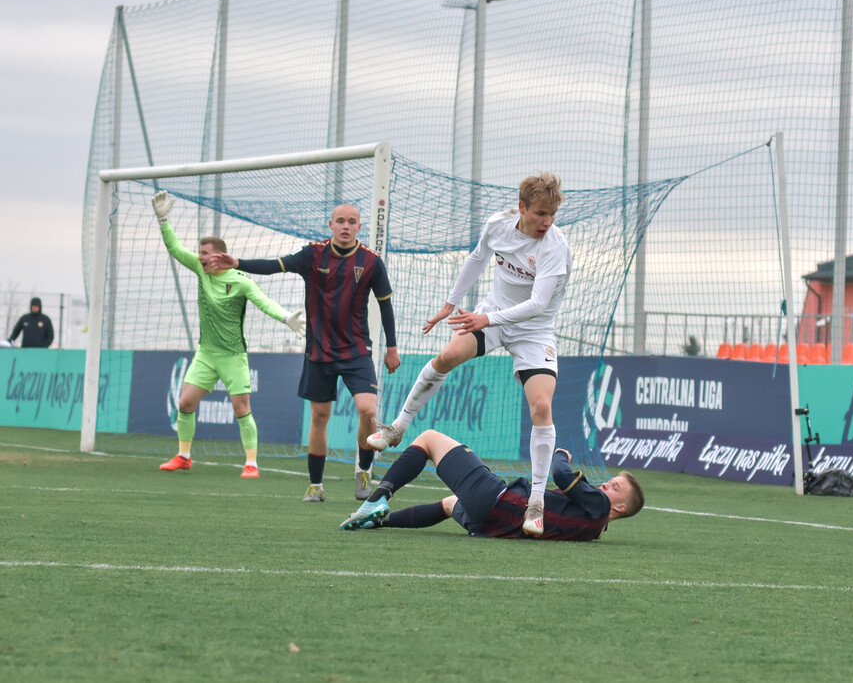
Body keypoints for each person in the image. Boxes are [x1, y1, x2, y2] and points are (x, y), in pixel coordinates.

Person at [368, 172, 571, 537]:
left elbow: (538, 304)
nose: (547, 222)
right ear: (522, 208)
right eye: (541, 213)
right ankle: (397, 428)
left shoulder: (555, 246)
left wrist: (485, 318)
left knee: (542, 406)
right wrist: (450, 304)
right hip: (492, 312)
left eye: (552, 214)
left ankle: (536, 504)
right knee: (447, 356)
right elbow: (477, 259)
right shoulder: (498, 224)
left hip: (533, 328)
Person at [208, 203, 401, 502]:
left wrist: (392, 347)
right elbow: (274, 265)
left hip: (356, 350)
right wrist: (237, 262)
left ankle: (364, 469)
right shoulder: (313, 254)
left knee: (368, 410)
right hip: (319, 351)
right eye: (340, 221)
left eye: (352, 222)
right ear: (331, 224)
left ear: (359, 227)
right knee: (320, 416)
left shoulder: (372, 262)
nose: (346, 226)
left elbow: (385, 305)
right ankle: (316, 485)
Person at [151, 191, 306, 478]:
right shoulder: (201, 269)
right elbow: (174, 248)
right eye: (200, 253)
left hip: (233, 355)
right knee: (185, 403)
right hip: (206, 352)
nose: (200, 257)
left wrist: (286, 317)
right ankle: (184, 456)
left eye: (205, 253)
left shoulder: (239, 280)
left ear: (220, 255)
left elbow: (263, 301)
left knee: (240, 408)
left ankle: (251, 464)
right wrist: (163, 220)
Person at [339, 428, 644, 540]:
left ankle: (378, 497)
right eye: (610, 481)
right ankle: (376, 524)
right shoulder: (593, 530)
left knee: (430, 439)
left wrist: (561, 454)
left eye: (614, 487)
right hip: (492, 526)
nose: (606, 485)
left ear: (618, 506)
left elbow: (562, 475)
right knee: (449, 504)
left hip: (500, 501)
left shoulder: (599, 507)